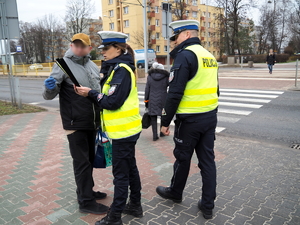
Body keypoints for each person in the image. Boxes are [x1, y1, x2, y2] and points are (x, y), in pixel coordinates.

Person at [74, 31, 143, 225]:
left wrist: (91, 93)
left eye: (106, 48)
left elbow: (112, 102)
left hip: (124, 132)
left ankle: (114, 217)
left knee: (121, 175)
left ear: (118, 48)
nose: (103, 52)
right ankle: (135, 205)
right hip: (126, 130)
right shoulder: (117, 68)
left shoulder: (121, 69)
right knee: (130, 169)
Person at [155, 20, 219, 220]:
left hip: (190, 121)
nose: (173, 42)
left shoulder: (185, 55)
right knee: (207, 161)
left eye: (175, 37)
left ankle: (175, 192)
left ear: (186, 35)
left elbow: (174, 93)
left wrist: (165, 121)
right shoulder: (209, 56)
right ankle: (207, 205)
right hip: (209, 117)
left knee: (183, 159)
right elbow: (216, 89)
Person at [42, 33, 109, 215]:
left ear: (89, 48)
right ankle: (86, 202)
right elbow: (49, 94)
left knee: (89, 160)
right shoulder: (62, 65)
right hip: (75, 123)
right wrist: (49, 88)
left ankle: (87, 191)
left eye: (83, 46)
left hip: (92, 121)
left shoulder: (92, 65)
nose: (79, 49)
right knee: (82, 163)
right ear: (71, 46)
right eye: (76, 45)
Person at [144, 62, 169, 141]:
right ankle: (162, 133)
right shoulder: (166, 77)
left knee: (153, 117)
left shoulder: (150, 76)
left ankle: (155, 136)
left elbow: (147, 89)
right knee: (163, 116)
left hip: (152, 100)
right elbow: (170, 86)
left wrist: (146, 101)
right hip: (163, 101)